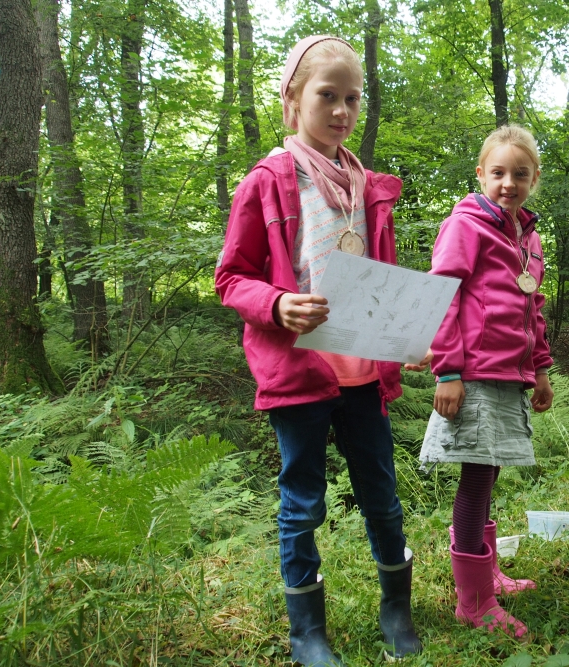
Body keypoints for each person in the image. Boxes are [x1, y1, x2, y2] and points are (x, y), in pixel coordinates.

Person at [215, 35, 424, 665]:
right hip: (299, 370)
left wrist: (402, 334)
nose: (341, 110)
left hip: (364, 374)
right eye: (326, 95)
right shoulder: (270, 181)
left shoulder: (368, 186)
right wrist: (277, 305)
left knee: (382, 496)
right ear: (293, 99)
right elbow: (232, 277)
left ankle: (397, 610)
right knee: (301, 501)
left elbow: (380, 277)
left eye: (352, 98)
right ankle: (306, 629)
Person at [420, 124, 555, 638]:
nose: (508, 183)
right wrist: (448, 371)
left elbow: (532, 307)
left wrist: (540, 369)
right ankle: (473, 601)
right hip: (471, 372)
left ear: (533, 178)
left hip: (510, 374)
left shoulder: (530, 237)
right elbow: (444, 296)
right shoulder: (466, 225)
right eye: (497, 172)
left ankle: (486, 571)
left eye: (520, 174)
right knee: (476, 477)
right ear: (480, 174)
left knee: (491, 472)